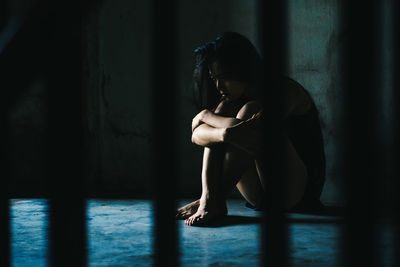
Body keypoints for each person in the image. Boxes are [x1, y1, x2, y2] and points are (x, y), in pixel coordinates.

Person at [176, 32, 326, 226]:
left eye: (225, 77)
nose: (219, 85)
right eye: (214, 78)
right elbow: (196, 135)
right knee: (224, 112)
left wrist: (206, 116)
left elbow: (253, 129)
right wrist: (222, 133)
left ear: (243, 70)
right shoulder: (231, 100)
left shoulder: (285, 91)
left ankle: (211, 200)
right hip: (259, 194)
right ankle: (210, 198)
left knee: (247, 111)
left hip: (297, 192)